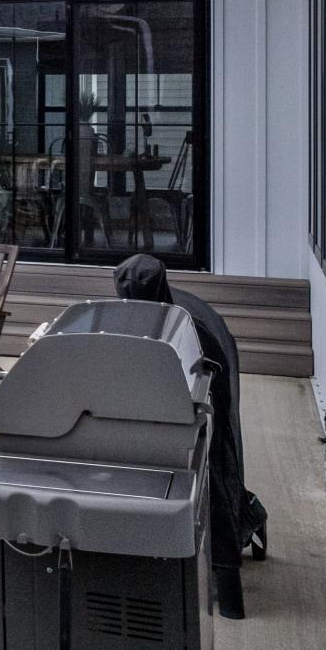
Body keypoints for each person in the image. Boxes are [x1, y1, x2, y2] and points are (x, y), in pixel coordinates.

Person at [115, 254, 264, 618]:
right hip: (152, 413)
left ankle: (226, 577)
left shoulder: (194, 330)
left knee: (211, 474)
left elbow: (217, 389)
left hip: (198, 411)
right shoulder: (121, 321)